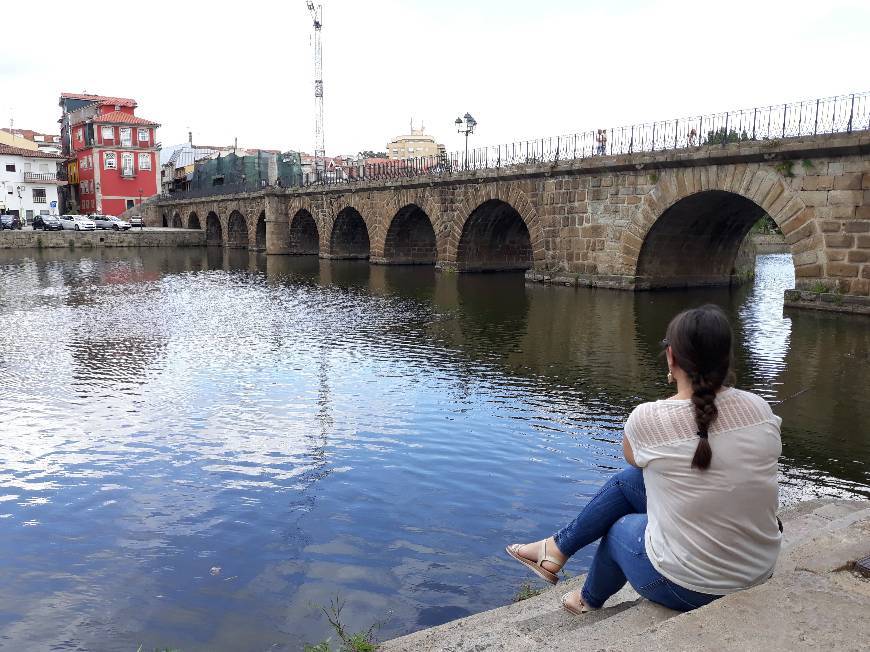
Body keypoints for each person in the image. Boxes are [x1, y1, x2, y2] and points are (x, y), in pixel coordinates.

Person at [506, 305, 782, 615]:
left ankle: (586, 599)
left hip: (694, 588)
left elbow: (634, 457)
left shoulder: (649, 418)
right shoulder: (760, 408)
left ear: (671, 357)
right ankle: (555, 549)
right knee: (629, 481)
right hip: (759, 569)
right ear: (727, 357)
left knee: (619, 528)